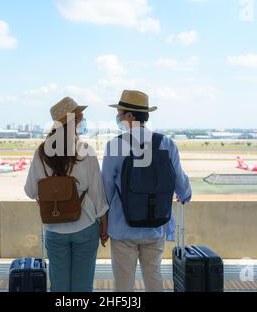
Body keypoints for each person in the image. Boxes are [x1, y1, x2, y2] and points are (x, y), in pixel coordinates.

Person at [101, 90, 192, 292]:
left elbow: (105, 189)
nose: (118, 117)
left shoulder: (115, 145)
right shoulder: (166, 143)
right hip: (155, 225)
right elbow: (180, 181)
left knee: (123, 282)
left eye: (120, 112)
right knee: (154, 277)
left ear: (130, 116)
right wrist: (185, 195)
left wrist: (104, 222)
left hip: (122, 227)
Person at [24, 97, 109, 292]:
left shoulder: (41, 152)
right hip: (86, 225)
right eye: (81, 118)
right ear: (73, 121)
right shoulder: (85, 150)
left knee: (59, 286)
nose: (83, 122)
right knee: (83, 286)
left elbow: (30, 191)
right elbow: (97, 194)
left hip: (54, 227)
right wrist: (104, 224)